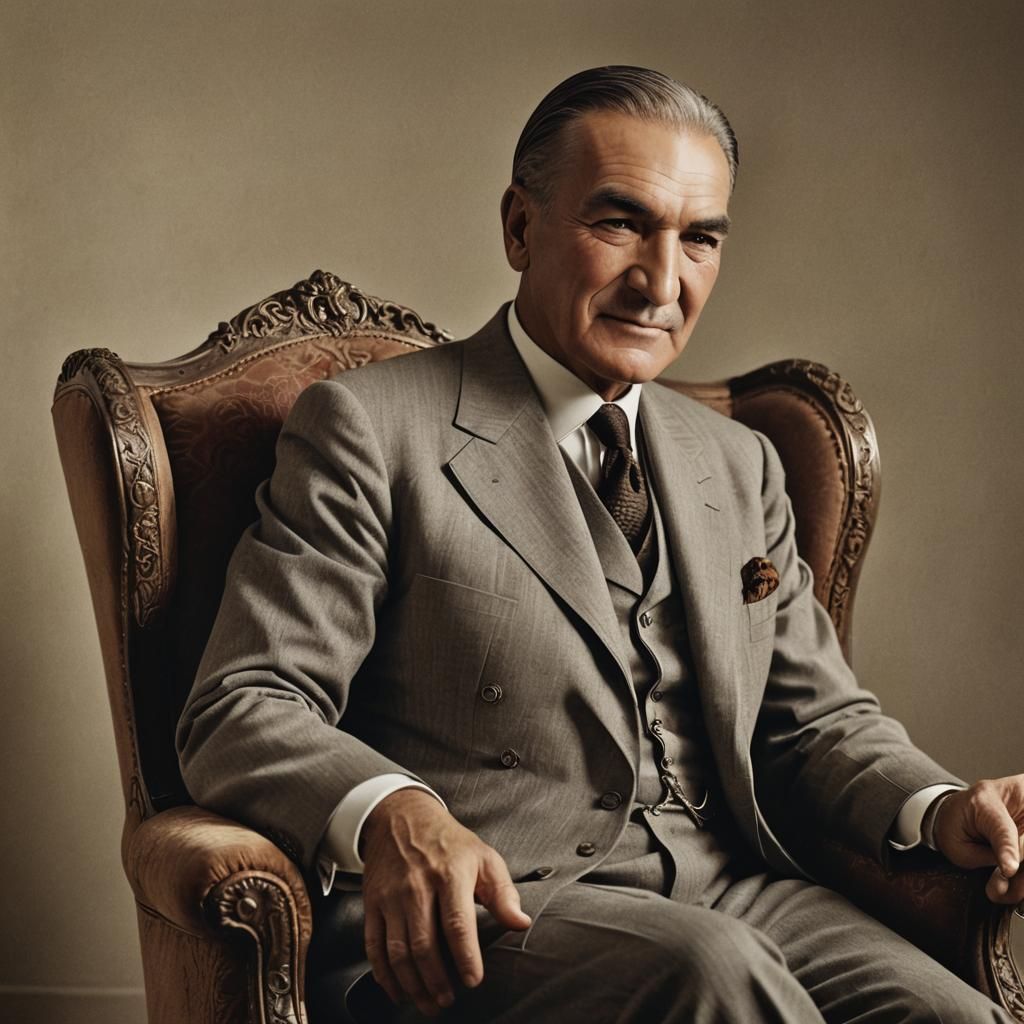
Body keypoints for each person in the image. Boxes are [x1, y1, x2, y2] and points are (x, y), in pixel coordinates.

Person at [177, 66, 1024, 1022]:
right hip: (497, 909)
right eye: (620, 223)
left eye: (699, 239)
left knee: (954, 1016)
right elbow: (243, 704)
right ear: (518, 226)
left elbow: (815, 722)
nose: (662, 282)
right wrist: (395, 814)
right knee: (713, 972)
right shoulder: (371, 429)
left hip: (731, 892)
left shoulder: (739, 461)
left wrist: (945, 809)